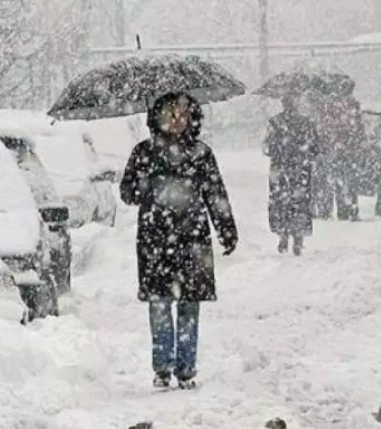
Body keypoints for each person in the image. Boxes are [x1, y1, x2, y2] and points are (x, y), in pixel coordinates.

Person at [120, 92, 238, 390]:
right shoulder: (143, 153)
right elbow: (127, 193)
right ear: (157, 117)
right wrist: (145, 182)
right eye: (170, 114)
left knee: (189, 305)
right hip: (155, 238)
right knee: (159, 304)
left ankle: (186, 369)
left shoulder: (201, 153)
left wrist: (226, 229)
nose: (177, 120)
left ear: (192, 119)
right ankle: (162, 367)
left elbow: (215, 194)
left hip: (192, 239)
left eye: (183, 114)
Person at [263, 94, 320, 255]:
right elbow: (315, 147)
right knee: (300, 202)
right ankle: (298, 237)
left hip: (280, 169)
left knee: (280, 202)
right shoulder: (306, 123)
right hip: (300, 169)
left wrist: (280, 151)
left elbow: (267, 147)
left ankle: (283, 236)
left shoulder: (274, 123)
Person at [313, 74, 365, 221]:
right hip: (341, 149)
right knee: (343, 180)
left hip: (343, 149)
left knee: (345, 180)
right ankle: (347, 210)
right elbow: (328, 126)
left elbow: (327, 127)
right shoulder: (335, 105)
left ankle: (348, 209)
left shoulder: (343, 105)